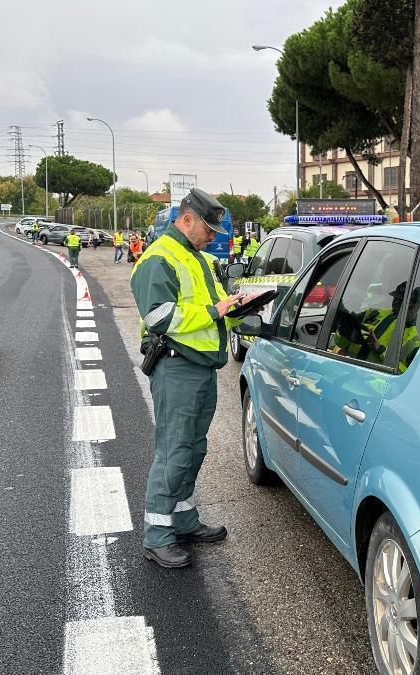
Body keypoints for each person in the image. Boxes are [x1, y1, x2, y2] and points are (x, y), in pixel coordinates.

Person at [130, 188, 246, 569]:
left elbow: (214, 309)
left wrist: (238, 309)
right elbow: (160, 317)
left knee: (193, 449)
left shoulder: (198, 259)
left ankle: (183, 521)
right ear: (187, 219)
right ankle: (157, 536)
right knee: (175, 450)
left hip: (200, 368)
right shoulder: (159, 258)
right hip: (177, 367)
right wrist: (216, 310)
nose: (212, 236)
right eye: (208, 230)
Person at [331, 281, 420, 373]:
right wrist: (345, 334)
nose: (395, 302)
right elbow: (339, 342)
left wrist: (380, 349)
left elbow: (408, 375)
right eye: (395, 298)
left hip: (370, 383)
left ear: (415, 307)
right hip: (345, 370)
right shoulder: (373, 313)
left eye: (401, 300)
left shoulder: (413, 341)